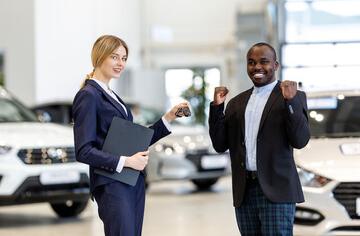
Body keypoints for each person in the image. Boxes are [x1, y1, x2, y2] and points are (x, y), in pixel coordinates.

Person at [72, 35, 189, 236]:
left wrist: (168, 118)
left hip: (131, 181)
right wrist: (126, 161)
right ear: (100, 57)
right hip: (112, 184)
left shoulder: (111, 95)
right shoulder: (89, 95)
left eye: (124, 58)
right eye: (114, 57)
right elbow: (83, 151)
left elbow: (134, 141)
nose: (120, 63)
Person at [208, 42, 310, 235]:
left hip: (277, 190)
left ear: (276, 66)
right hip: (244, 191)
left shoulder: (293, 97)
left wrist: (290, 101)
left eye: (264, 62)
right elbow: (220, 145)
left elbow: (300, 140)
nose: (257, 67)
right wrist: (217, 107)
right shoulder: (236, 103)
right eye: (251, 62)